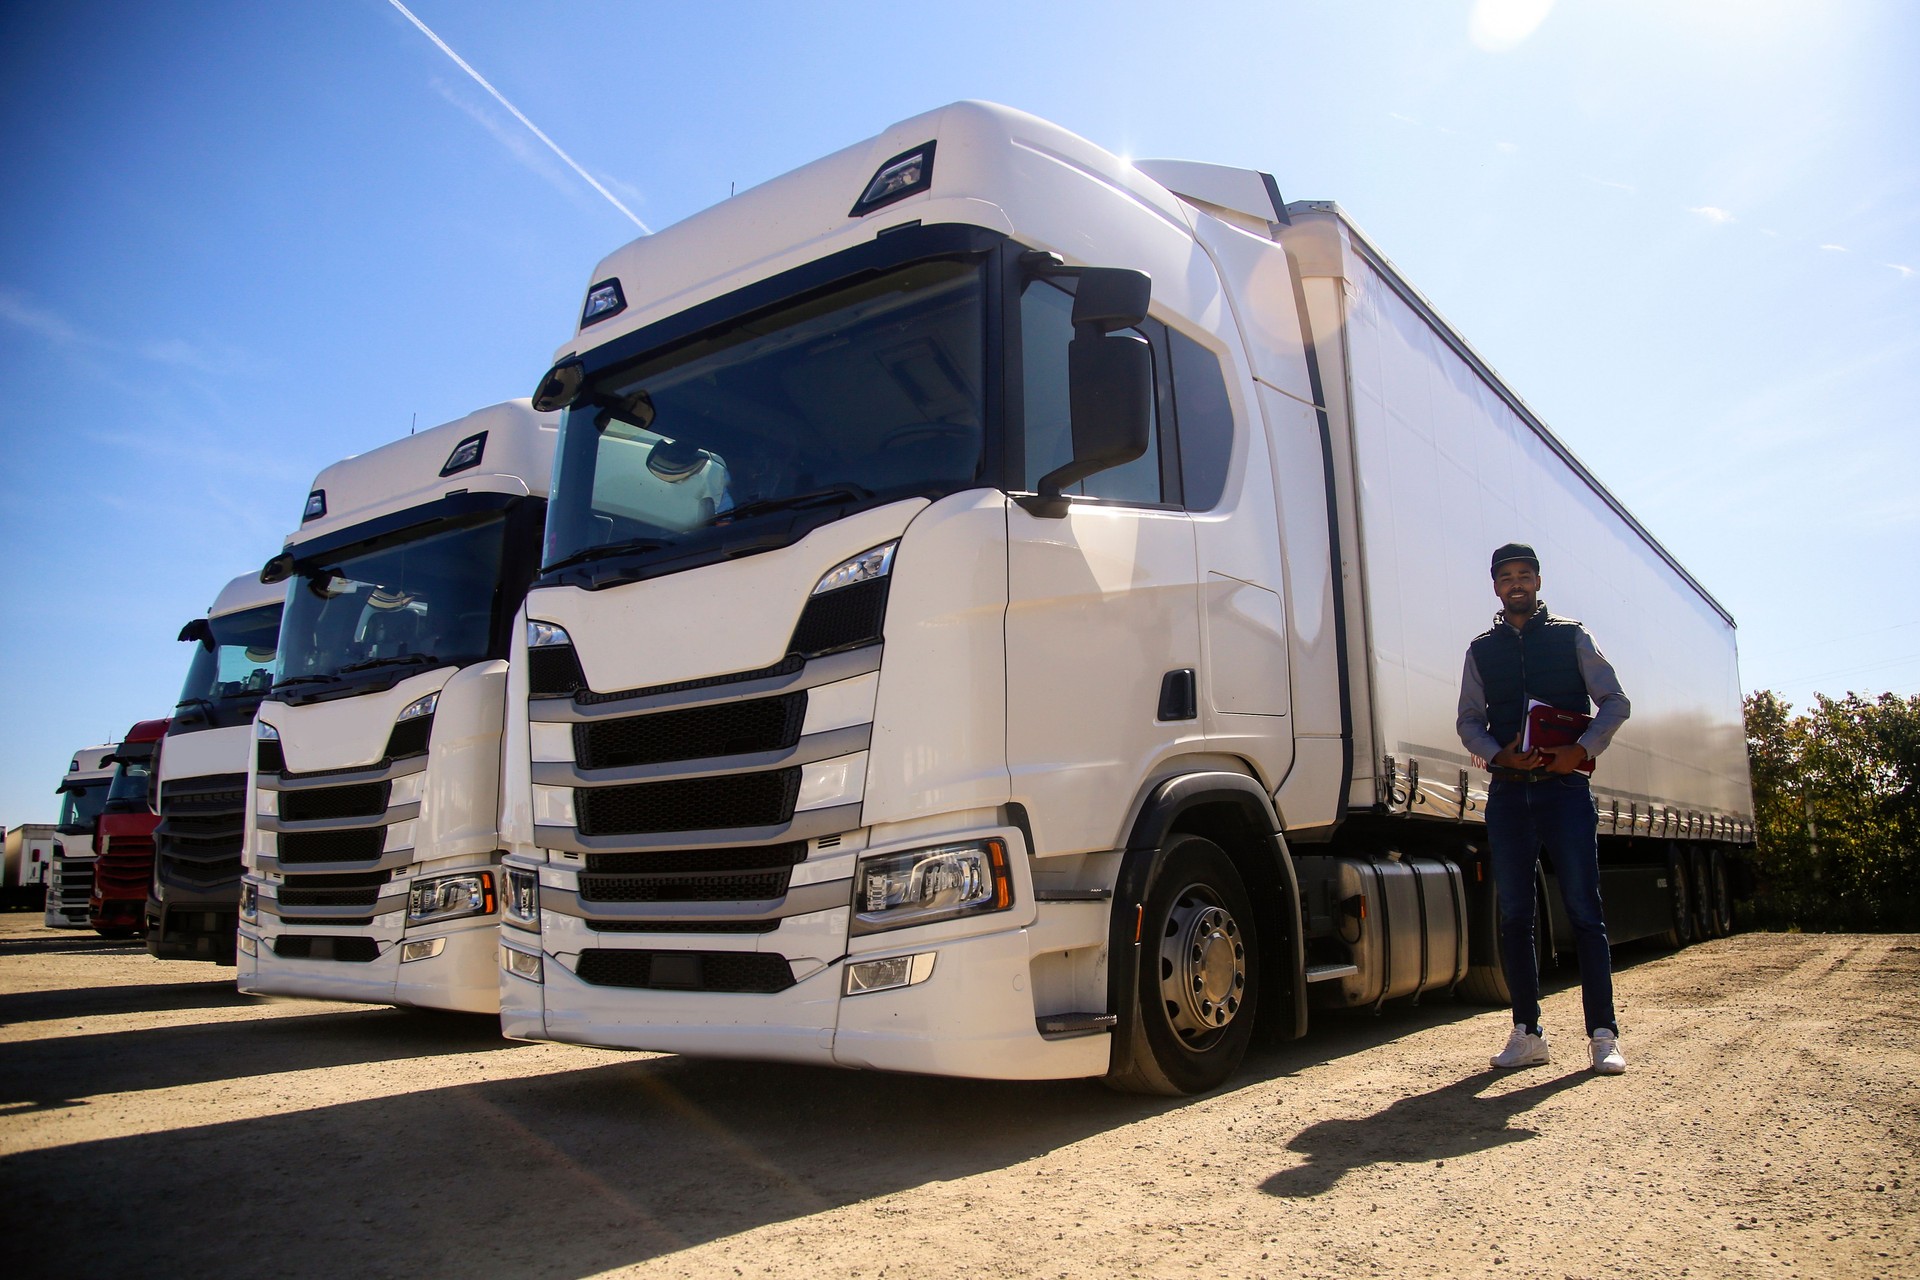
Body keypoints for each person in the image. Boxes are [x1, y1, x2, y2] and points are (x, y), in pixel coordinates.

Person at [1457, 542, 1631, 1075]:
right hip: (1509, 794)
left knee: (1584, 910)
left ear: (1538, 581)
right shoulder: (1481, 649)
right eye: (1506, 576)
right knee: (1514, 915)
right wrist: (1496, 752)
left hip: (1564, 793)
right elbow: (1468, 720)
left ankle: (1603, 1037)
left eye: (1524, 575)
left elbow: (1615, 702)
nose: (1515, 584)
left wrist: (1581, 751)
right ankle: (1527, 1033)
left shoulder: (1572, 637)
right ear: (1494, 585)